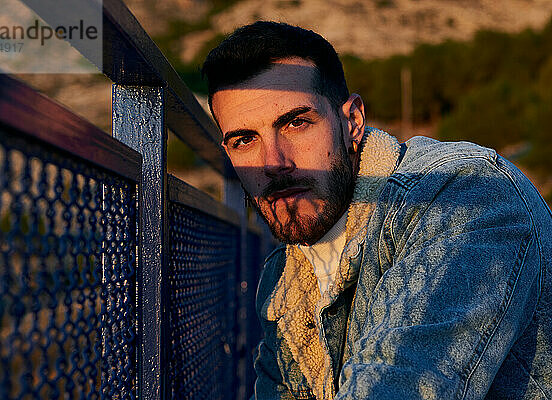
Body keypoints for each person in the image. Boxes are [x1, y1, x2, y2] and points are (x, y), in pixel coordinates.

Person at [202, 21, 552, 400]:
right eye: (244, 140)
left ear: (352, 122)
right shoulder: (284, 281)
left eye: (296, 123)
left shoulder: (464, 195)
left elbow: (401, 384)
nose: (273, 162)